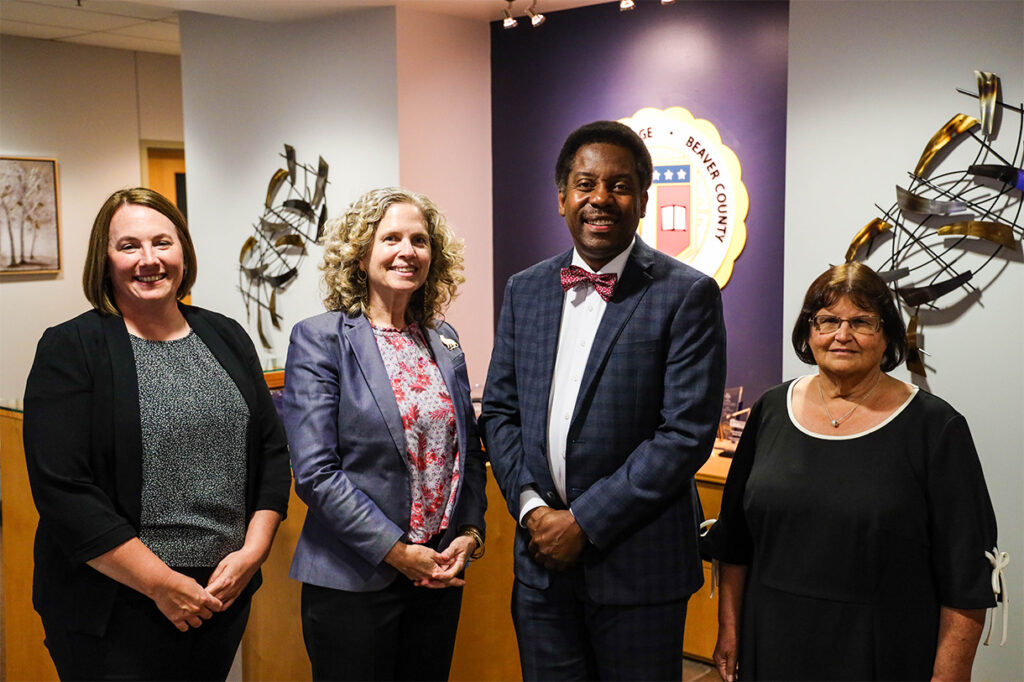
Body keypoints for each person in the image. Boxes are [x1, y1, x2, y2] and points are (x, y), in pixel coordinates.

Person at [480, 120, 727, 681]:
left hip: (638, 567)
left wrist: (584, 522)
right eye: (585, 184)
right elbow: (500, 410)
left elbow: (685, 433)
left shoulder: (686, 294)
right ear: (562, 197)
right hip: (540, 566)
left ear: (643, 200)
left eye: (619, 186)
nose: (600, 199)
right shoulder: (526, 289)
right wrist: (532, 509)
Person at [22, 187, 291, 680]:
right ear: (103, 261)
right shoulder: (70, 348)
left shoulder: (226, 335)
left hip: (218, 598)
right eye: (129, 246)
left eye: (162, 243)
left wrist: (253, 552)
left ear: (183, 251)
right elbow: (63, 490)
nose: (149, 260)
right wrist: (161, 583)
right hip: (116, 607)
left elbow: (271, 452)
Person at [703, 262, 1000, 681]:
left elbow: (966, 572)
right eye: (827, 321)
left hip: (883, 650)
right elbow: (735, 542)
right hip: (773, 643)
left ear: (887, 336)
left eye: (862, 322)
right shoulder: (771, 409)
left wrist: (950, 674)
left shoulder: (935, 428)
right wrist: (730, 629)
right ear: (809, 331)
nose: (842, 335)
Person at [283, 187, 487, 681]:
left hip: (435, 573)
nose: (407, 252)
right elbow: (315, 473)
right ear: (360, 252)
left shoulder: (444, 338)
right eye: (390, 238)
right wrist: (397, 552)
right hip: (355, 580)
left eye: (419, 240)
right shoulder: (321, 338)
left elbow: (466, 452)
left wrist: (469, 532)